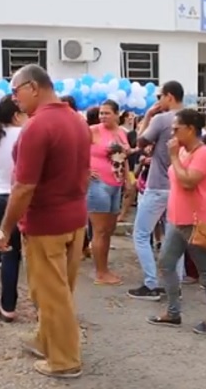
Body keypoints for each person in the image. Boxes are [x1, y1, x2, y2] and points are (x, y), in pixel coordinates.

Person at [0, 64, 88, 379]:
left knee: (51, 294)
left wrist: (5, 227)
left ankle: (64, 360)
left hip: (47, 222)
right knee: (56, 291)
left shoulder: (37, 126)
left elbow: (23, 188)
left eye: (15, 90)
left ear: (33, 87)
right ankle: (46, 339)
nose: (13, 98)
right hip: (75, 218)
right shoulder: (76, 120)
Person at [147, 108, 206, 334]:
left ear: (190, 129)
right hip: (177, 220)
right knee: (166, 264)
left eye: (177, 128)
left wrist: (172, 157)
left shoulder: (204, 153)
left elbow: (189, 181)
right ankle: (173, 312)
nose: (173, 132)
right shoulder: (181, 151)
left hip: (198, 222)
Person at [128, 80, 186, 301]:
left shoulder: (162, 118)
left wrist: (148, 116)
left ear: (169, 96)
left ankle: (151, 283)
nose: (157, 101)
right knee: (175, 238)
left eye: (159, 97)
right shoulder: (192, 119)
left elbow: (140, 141)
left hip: (158, 185)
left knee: (141, 234)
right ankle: (175, 284)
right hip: (180, 186)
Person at [0, 97, 26, 321]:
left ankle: (7, 307)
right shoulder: (23, 134)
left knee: (9, 256)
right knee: (36, 258)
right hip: (24, 198)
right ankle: (43, 309)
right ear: (17, 114)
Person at [88, 100, 130, 285]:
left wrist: (128, 179)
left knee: (108, 230)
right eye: (101, 113)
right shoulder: (93, 131)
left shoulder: (121, 132)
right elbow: (75, 150)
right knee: (100, 230)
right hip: (98, 184)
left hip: (116, 183)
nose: (103, 116)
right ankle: (100, 272)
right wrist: (84, 169)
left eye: (107, 113)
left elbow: (124, 157)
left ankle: (105, 268)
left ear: (116, 114)